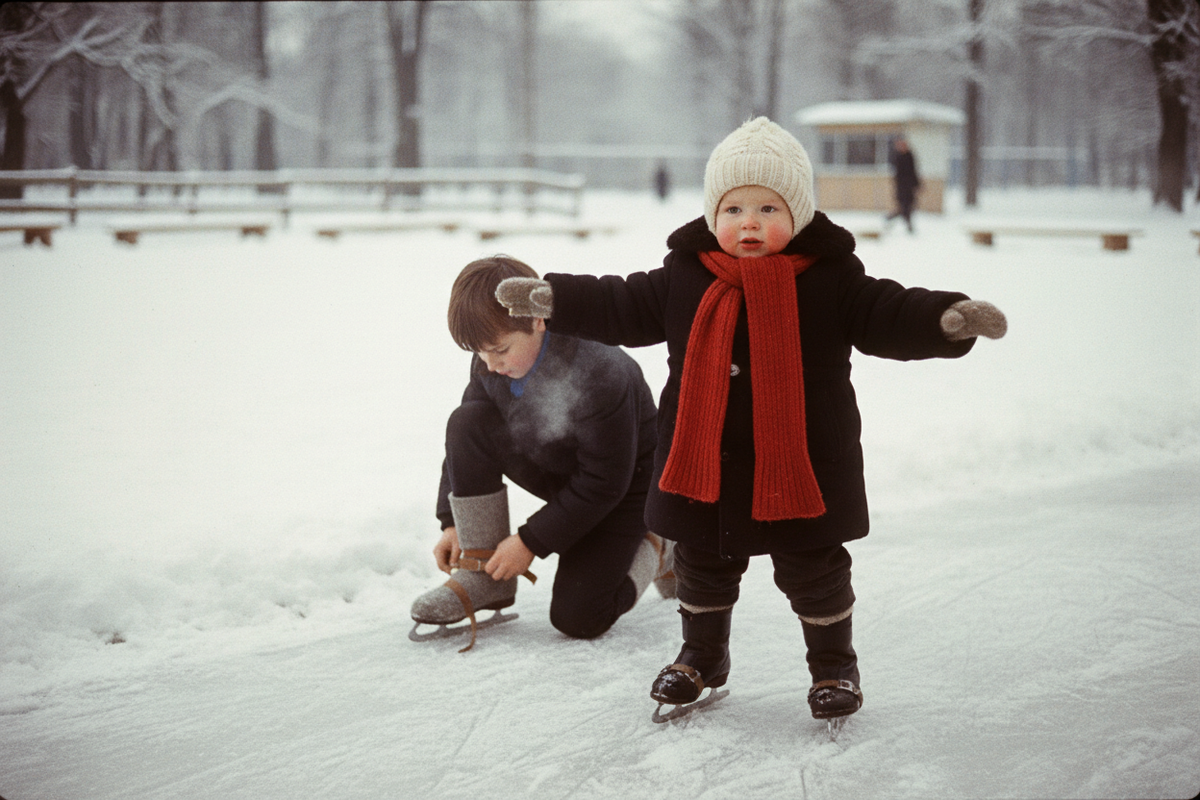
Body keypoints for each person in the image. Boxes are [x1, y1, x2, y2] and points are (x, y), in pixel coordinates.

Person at [496, 117, 1006, 724]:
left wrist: (946, 319)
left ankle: (834, 668)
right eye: (734, 208)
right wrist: (556, 298)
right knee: (703, 567)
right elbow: (622, 301)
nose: (750, 223)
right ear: (714, 213)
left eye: (769, 207)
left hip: (803, 464)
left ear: (799, 213)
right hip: (706, 460)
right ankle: (701, 658)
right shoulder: (686, 275)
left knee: (813, 571)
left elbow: (885, 311)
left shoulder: (830, 279)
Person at [409, 255, 671, 652]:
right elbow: (464, 438)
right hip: (561, 470)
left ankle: (661, 546)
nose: (490, 364)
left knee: (579, 617)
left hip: (626, 491)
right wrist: (453, 523)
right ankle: (483, 577)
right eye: (480, 352)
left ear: (537, 319)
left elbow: (605, 483)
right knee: (468, 419)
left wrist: (530, 542)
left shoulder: (601, 371)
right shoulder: (493, 360)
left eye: (499, 349)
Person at [886, 135, 921, 233]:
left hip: (909, 186)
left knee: (909, 206)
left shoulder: (910, 155)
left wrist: (917, 184)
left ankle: (891, 218)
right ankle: (905, 224)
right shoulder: (896, 157)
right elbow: (896, 173)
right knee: (904, 206)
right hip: (901, 186)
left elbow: (913, 170)